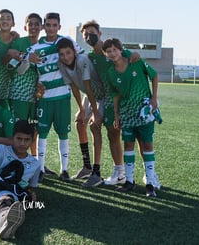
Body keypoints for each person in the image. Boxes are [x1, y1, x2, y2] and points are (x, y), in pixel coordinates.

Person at [77, 20, 140, 186]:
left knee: (125, 134)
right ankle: (116, 171)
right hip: (106, 99)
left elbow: (129, 56)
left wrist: (135, 54)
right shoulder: (89, 57)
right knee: (107, 131)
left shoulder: (110, 49)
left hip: (123, 98)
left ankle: (130, 172)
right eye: (86, 34)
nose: (89, 36)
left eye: (92, 33)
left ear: (99, 33)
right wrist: (89, 108)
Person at [27, 12, 83, 182]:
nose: (51, 28)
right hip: (44, 98)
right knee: (42, 134)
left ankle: (64, 170)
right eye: (48, 25)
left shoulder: (65, 41)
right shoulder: (35, 48)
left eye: (54, 25)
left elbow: (81, 56)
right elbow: (24, 69)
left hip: (62, 97)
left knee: (63, 134)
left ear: (59, 26)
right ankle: (41, 168)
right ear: (44, 27)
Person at [103, 38, 160, 197]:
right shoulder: (110, 72)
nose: (112, 53)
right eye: (108, 51)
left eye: (115, 50)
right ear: (106, 54)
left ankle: (149, 183)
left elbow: (154, 76)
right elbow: (115, 95)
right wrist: (116, 115)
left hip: (144, 111)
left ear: (121, 50)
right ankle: (129, 181)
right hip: (126, 113)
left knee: (147, 146)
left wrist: (154, 98)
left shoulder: (136, 61)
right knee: (128, 145)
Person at [56, 37, 105, 187]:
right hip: (88, 95)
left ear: (74, 51)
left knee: (94, 126)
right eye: (62, 54)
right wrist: (81, 109)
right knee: (79, 123)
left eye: (68, 53)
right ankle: (87, 166)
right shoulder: (61, 64)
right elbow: (74, 88)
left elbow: (88, 88)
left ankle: (96, 173)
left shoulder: (82, 60)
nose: (66, 57)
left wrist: (95, 113)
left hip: (102, 95)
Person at [3, 13, 43, 156]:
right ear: (25, 26)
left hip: (37, 96)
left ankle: (33, 158)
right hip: (19, 94)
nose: (33, 27)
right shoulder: (19, 43)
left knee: (34, 129)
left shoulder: (44, 44)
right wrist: (27, 59)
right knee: (18, 129)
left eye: (36, 24)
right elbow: (11, 68)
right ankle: (14, 157)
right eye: (30, 24)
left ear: (41, 27)